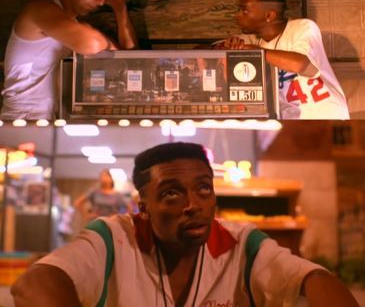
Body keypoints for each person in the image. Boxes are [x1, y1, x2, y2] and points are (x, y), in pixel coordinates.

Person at [11, 142, 358, 307]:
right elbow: (35, 283)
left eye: (204, 189)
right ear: (143, 207)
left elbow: (312, 277)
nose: (193, 205)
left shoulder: (242, 244)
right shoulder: (114, 239)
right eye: (173, 194)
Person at [0, 0, 137, 120]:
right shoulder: (40, 9)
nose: (101, 1)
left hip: (47, 119)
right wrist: (92, 33)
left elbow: (129, 57)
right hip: (22, 118)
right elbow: (92, 43)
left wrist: (120, 9)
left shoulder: (73, 26)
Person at [214, 0, 350, 120]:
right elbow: (203, 49)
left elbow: (299, 64)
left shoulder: (303, 27)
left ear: (269, 15)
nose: (237, 16)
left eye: (244, 11)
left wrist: (252, 51)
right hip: (290, 121)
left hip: (326, 116)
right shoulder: (252, 40)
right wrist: (226, 46)